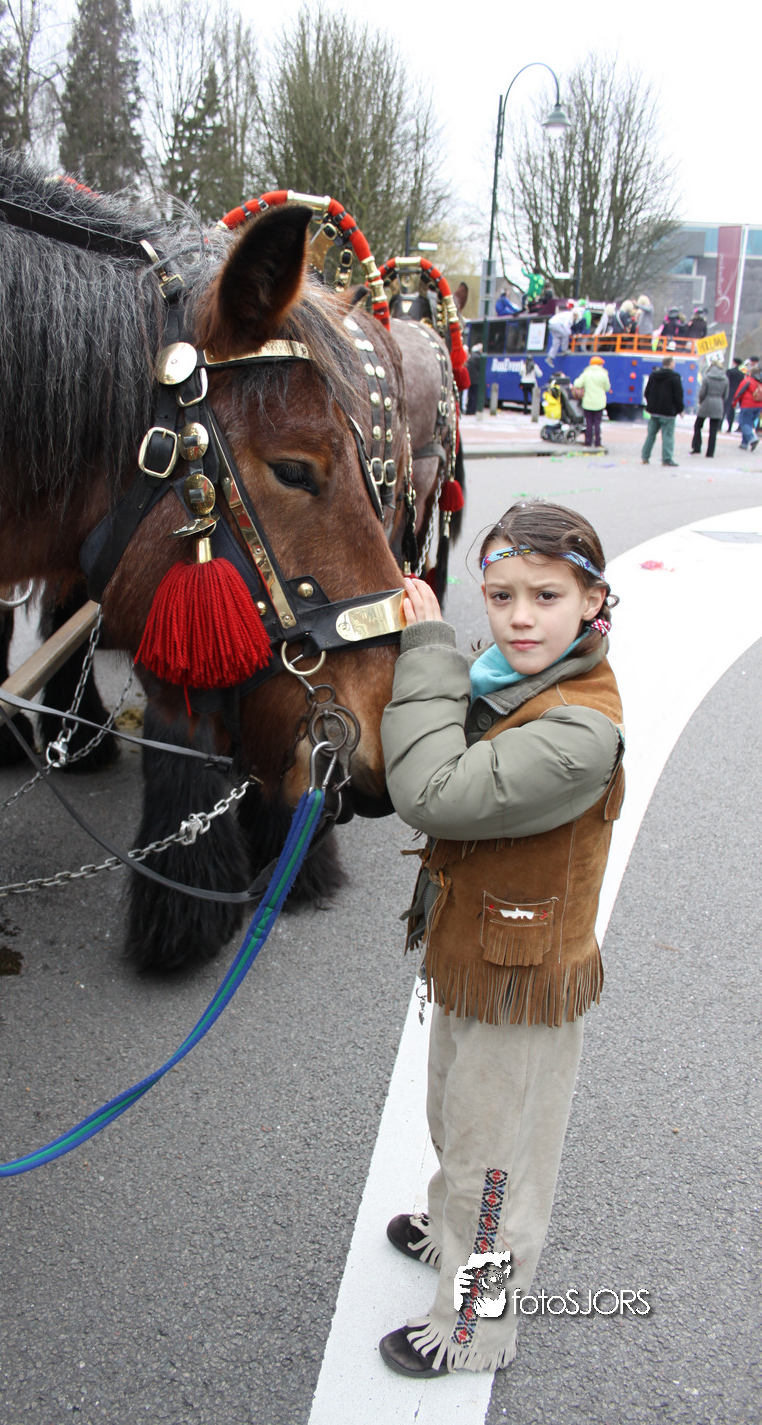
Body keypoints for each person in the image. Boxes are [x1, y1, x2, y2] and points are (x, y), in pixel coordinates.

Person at [378, 501, 623, 1378]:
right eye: (501, 594)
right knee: (457, 1115)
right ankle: (451, 1233)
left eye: (547, 596)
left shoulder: (580, 729)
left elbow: (432, 791)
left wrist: (427, 652)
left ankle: (477, 1327)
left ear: (593, 601)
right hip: (483, 954)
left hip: (523, 978)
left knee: (499, 1169)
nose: (521, 617)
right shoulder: (509, 680)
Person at [641, 355, 684, 466]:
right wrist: (680, 409)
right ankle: (667, 459)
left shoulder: (654, 375)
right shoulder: (675, 377)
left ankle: (645, 457)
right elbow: (678, 395)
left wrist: (652, 404)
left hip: (654, 411)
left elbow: (647, 392)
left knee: (651, 435)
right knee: (668, 436)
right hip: (668, 412)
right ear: (670, 364)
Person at [689, 354, 728, 457]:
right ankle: (710, 452)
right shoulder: (725, 379)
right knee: (713, 430)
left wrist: (701, 401)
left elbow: (702, 392)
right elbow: (726, 395)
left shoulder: (707, 377)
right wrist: (720, 400)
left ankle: (697, 447)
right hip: (718, 403)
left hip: (706, 402)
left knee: (698, 425)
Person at [572, 355, 612, 446]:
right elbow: (607, 388)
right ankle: (598, 442)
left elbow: (577, 384)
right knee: (597, 423)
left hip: (588, 402)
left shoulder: (586, 374)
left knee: (589, 422)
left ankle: (588, 441)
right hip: (599, 403)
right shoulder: (604, 374)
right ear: (599, 365)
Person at [731, 362, 762, 450]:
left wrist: (734, 402)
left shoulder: (748, 381)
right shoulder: (760, 383)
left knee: (743, 423)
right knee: (749, 424)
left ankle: (752, 439)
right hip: (759, 406)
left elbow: (739, 392)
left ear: (751, 373)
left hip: (747, 405)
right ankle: (744, 443)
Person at [724, 356, 745, 431]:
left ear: (734, 362)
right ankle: (730, 427)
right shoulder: (742, 374)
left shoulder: (729, 372)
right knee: (732, 410)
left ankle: (719, 426)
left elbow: (726, 382)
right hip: (737, 393)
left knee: (724, 409)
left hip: (728, 392)